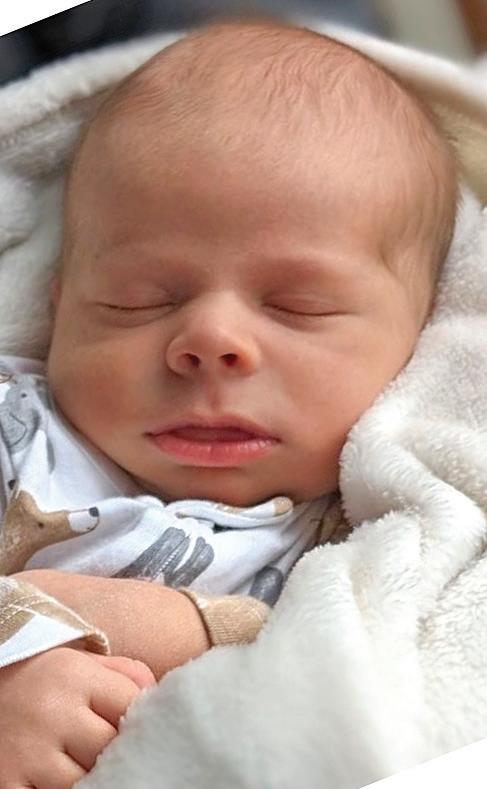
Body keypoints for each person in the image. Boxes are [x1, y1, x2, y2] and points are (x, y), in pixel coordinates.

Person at [0, 18, 458, 789]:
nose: (211, 338)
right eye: (139, 299)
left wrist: (175, 627)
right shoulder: (22, 435)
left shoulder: (372, 542)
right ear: (60, 307)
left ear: (420, 332)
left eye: (297, 306)